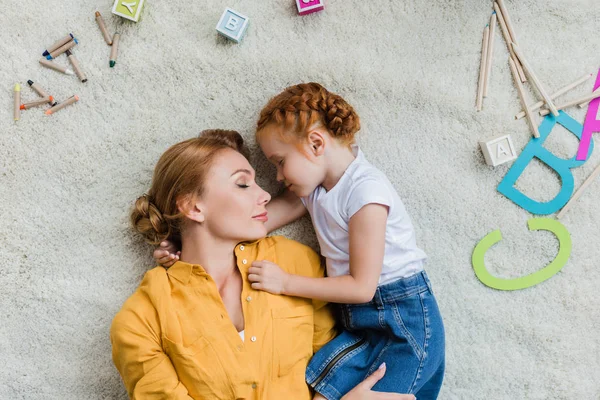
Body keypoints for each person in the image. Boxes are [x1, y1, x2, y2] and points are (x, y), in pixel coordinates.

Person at [112, 129, 416, 400]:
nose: (265, 193)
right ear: (193, 206)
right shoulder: (140, 321)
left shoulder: (297, 263)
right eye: (243, 184)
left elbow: (333, 366)